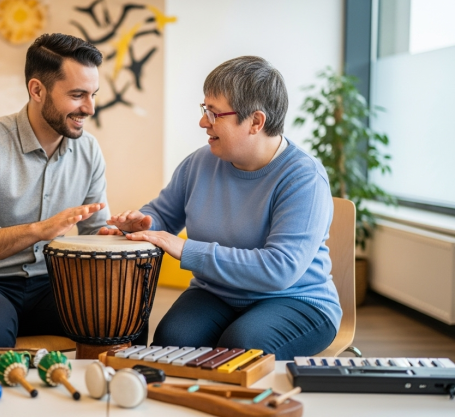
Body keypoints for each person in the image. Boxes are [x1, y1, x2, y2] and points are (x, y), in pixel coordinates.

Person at [100, 56, 341, 360]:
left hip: (296, 299)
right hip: (217, 292)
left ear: (256, 121)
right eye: (204, 110)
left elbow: (279, 270)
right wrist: (142, 224)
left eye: (214, 113)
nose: (203, 122)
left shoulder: (304, 178)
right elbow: (163, 215)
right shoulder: (199, 163)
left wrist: (186, 250)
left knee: (242, 346)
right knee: (171, 340)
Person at [0, 33, 110, 347]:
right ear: (37, 90)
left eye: (93, 94)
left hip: (51, 287)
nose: (90, 108)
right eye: (77, 95)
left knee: (117, 319)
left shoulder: (89, 150)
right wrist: (39, 230)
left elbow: (95, 231)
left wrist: (119, 233)